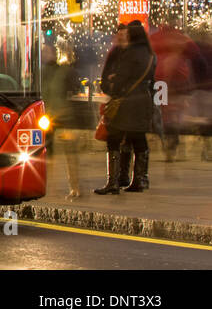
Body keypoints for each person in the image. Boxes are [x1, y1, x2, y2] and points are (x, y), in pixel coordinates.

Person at [94, 21, 157, 195]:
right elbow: (152, 80)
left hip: (126, 103)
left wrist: (112, 83)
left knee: (114, 138)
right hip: (143, 100)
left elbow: (121, 78)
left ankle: (113, 182)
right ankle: (140, 179)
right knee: (138, 139)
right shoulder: (151, 55)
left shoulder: (130, 54)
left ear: (133, 36)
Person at [43, 40, 84, 198]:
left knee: (69, 153)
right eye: (44, 52)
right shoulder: (41, 72)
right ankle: (49, 187)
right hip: (47, 118)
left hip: (64, 117)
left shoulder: (64, 71)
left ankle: (74, 187)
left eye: (48, 52)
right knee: (48, 153)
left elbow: (75, 87)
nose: (46, 55)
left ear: (54, 53)